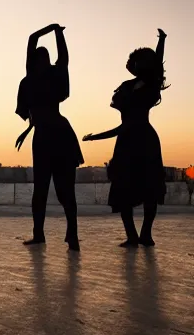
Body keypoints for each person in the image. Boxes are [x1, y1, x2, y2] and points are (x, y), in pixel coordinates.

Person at [83, 29, 168, 247]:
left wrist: (161, 41)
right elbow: (123, 126)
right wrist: (96, 137)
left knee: (149, 189)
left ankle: (146, 234)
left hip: (144, 142)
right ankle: (132, 235)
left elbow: (157, 67)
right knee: (123, 188)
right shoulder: (128, 86)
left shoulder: (149, 86)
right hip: (128, 142)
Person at [15, 24, 83, 251]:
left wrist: (57, 32)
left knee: (64, 191)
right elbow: (33, 40)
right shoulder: (34, 78)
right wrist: (54, 30)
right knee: (42, 190)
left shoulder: (47, 76)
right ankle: (41, 234)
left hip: (57, 136)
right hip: (47, 136)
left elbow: (62, 56)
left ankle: (71, 234)